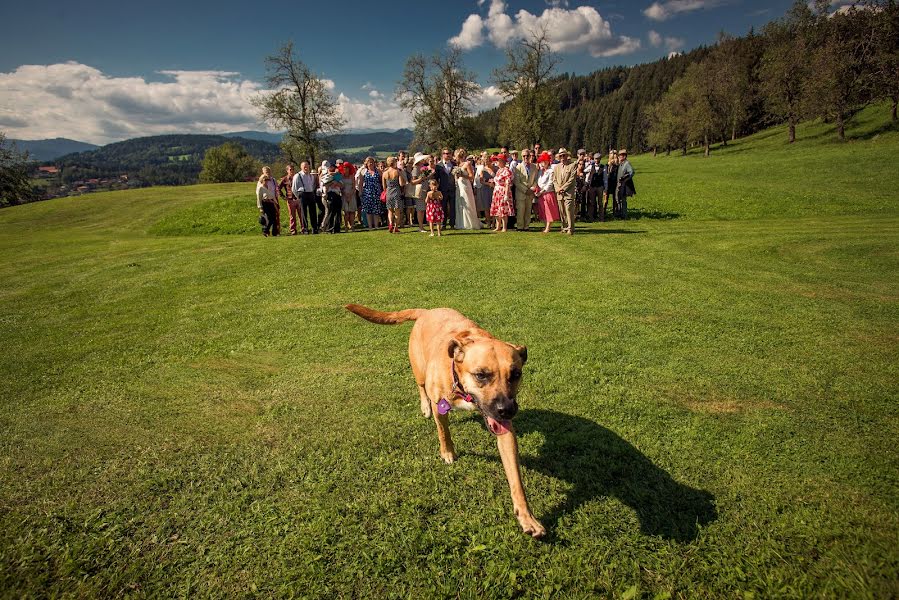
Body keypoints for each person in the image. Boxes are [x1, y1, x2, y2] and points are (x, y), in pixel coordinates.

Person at [452, 148, 481, 230]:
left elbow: (471, 177)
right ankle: (461, 223)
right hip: (459, 186)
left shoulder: (467, 164)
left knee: (467, 203)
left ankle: (469, 223)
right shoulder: (457, 166)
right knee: (460, 204)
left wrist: (462, 175)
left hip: (465, 186)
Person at [552, 148, 577, 235]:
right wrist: (557, 188)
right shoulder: (556, 167)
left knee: (569, 210)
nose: (562, 157)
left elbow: (571, 179)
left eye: (564, 155)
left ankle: (570, 228)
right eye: (560, 156)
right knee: (562, 211)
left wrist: (563, 188)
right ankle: (564, 227)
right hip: (559, 193)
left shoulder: (572, 165)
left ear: (567, 156)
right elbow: (554, 180)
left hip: (568, 193)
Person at [534, 151, 560, 233]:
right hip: (541, 194)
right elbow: (538, 181)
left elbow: (550, 184)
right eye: (541, 162)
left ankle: (548, 227)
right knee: (543, 210)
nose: (542, 163)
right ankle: (545, 226)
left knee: (548, 210)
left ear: (548, 162)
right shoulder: (540, 172)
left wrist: (542, 191)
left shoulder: (551, 171)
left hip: (547, 193)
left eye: (544, 162)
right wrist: (537, 189)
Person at [513, 149, 537, 231]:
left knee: (528, 211)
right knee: (521, 210)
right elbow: (516, 181)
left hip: (530, 193)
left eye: (527, 156)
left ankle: (526, 226)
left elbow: (536, 180)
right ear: (521, 157)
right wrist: (525, 190)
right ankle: (520, 227)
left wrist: (532, 188)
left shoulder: (534, 167)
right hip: (521, 193)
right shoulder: (518, 167)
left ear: (530, 156)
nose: (526, 157)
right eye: (524, 156)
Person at [291, 161, 319, 234]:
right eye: (304, 166)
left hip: (310, 193)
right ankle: (305, 229)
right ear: (301, 167)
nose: (306, 167)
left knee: (313, 212)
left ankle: (314, 228)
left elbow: (312, 185)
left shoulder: (311, 176)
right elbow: (294, 188)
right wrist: (298, 196)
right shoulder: (297, 175)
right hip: (302, 194)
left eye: (307, 166)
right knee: (304, 213)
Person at [490, 153, 514, 233]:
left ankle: (504, 227)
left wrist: (506, 194)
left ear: (502, 161)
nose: (496, 161)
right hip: (497, 191)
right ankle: (498, 226)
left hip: (503, 191)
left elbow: (507, 183)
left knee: (503, 209)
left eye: (498, 160)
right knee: (497, 209)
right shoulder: (499, 171)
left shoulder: (506, 170)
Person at [382, 156, 406, 233]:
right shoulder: (397, 172)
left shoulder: (384, 173)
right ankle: (396, 227)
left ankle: (390, 224)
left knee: (390, 210)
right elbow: (401, 184)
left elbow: (384, 187)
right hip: (396, 191)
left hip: (388, 192)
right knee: (397, 211)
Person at [357, 156, 383, 230]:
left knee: (376, 210)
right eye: (369, 162)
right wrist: (360, 192)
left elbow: (382, 181)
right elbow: (360, 183)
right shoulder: (363, 172)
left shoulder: (378, 171)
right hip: (367, 193)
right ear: (366, 163)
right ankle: (370, 226)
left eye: (372, 162)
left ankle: (376, 226)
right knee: (368, 210)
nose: (371, 163)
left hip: (377, 192)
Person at [279, 164, 304, 235]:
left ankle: (303, 228)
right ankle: (293, 230)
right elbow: (278, 188)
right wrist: (283, 197)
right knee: (292, 216)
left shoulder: (298, 177)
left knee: (301, 215)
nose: (292, 171)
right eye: (290, 169)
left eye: (293, 169)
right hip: (290, 199)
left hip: (298, 199)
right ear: (287, 171)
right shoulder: (285, 179)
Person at [409, 153, 431, 233]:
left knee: (423, 209)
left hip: (424, 190)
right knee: (420, 209)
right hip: (419, 191)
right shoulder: (415, 169)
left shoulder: (422, 168)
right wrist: (421, 179)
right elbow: (412, 181)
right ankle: (421, 227)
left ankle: (423, 226)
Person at [435, 148, 456, 229]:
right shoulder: (438, 166)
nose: (447, 155)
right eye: (445, 153)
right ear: (442, 154)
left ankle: (452, 224)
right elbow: (436, 179)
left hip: (452, 188)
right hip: (443, 189)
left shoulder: (454, 164)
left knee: (452, 207)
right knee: (443, 207)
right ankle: (443, 224)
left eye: (449, 153)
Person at [320, 162, 344, 233]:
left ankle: (337, 228)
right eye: (331, 169)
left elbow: (341, 185)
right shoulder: (324, 176)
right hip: (330, 195)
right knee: (331, 212)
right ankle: (329, 227)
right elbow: (325, 185)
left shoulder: (338, 176)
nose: (333, 170)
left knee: (338, 212)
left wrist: (336, 182)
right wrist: (332, 182)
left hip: (337, 194)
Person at [256, 166, 279, 237]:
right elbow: (259, 197)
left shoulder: (271, 184)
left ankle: (274, 233)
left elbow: (272, 194)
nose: (266, 181)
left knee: (274, 218)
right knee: (270, 218)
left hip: (271, 202)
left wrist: (276, 202)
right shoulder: (260, 187)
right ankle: (266, 230)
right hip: (265, 203)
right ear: (262, 180)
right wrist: (260, 207)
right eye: (265, 180)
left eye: (267, 180)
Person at [475, 152, 494, 228]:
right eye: (486, 160)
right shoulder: (482, 169)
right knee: (487, 206)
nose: (488, 162)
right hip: (486, 189)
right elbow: (481, 181)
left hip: (493, 189)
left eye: (489, 160)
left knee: (493, 205)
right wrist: (488, 184)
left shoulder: (494, 168)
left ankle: (493, 222)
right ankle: (488, 222)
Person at [616, 148, 635, 220]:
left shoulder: (627, 164)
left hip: (623, 184)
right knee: (619, 199)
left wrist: (625, 179)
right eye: (619, 155)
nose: (620, 156)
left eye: (621, 155)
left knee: (623, 200)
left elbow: (632, 172)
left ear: (624, 156)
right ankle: (620, 213)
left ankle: (624, 215)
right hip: (619, 184)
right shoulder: (621, 164)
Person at [339, 161, 358, 231]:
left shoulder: (352, 176)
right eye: (344, 168)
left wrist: (350, 195)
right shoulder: (341, 176)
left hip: (351, 195)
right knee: (346, 212)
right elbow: (340, 186)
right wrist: (344, 193)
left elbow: (354, 187)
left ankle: (352, 226)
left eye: (347, 168)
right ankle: (346, 226)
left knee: (352, 212)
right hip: (344, 195)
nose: (346, 169)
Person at [605, 150, 619, 220]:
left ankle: (614, 213)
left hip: (615, 183)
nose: (613, 156)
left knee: (615, 199)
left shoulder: (617, 166)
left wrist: (616, 164)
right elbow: (606, 174)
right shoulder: (607, 165)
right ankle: (603, 212)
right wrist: (609, 165)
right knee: (605, 199)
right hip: (608, 183)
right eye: (611, 154)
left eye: (614, 155)